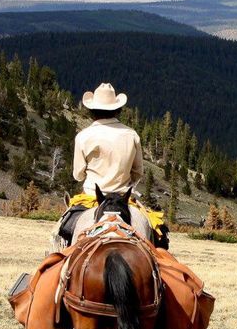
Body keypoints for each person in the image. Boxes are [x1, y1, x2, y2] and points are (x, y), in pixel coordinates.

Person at [51, 83, 167, 250]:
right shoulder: (131, 135)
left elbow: (78, 175)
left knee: (59, 233)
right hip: (123, 198)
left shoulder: (84, 136)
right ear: (117, 109)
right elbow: (138, 172)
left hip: (92, 198)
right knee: (158, 234)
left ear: (91, 111)